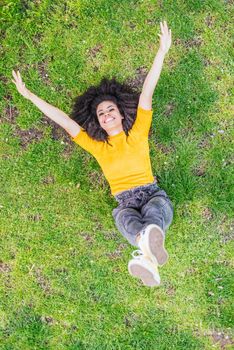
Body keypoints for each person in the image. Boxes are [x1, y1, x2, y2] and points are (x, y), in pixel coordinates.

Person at [12, 21, 173, 287]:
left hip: (151, 193)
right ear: (98, 123)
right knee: (122, 218)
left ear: (121, 114)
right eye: (101, 114)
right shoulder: (97, 146)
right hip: (125, 202)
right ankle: (148, 249)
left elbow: (147, 92)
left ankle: (148, 249)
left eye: (110, 110)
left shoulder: (138, 132)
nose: (107, 114)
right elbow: (64, 121)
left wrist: (161, 53)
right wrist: (30, 96)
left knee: (155, 212)